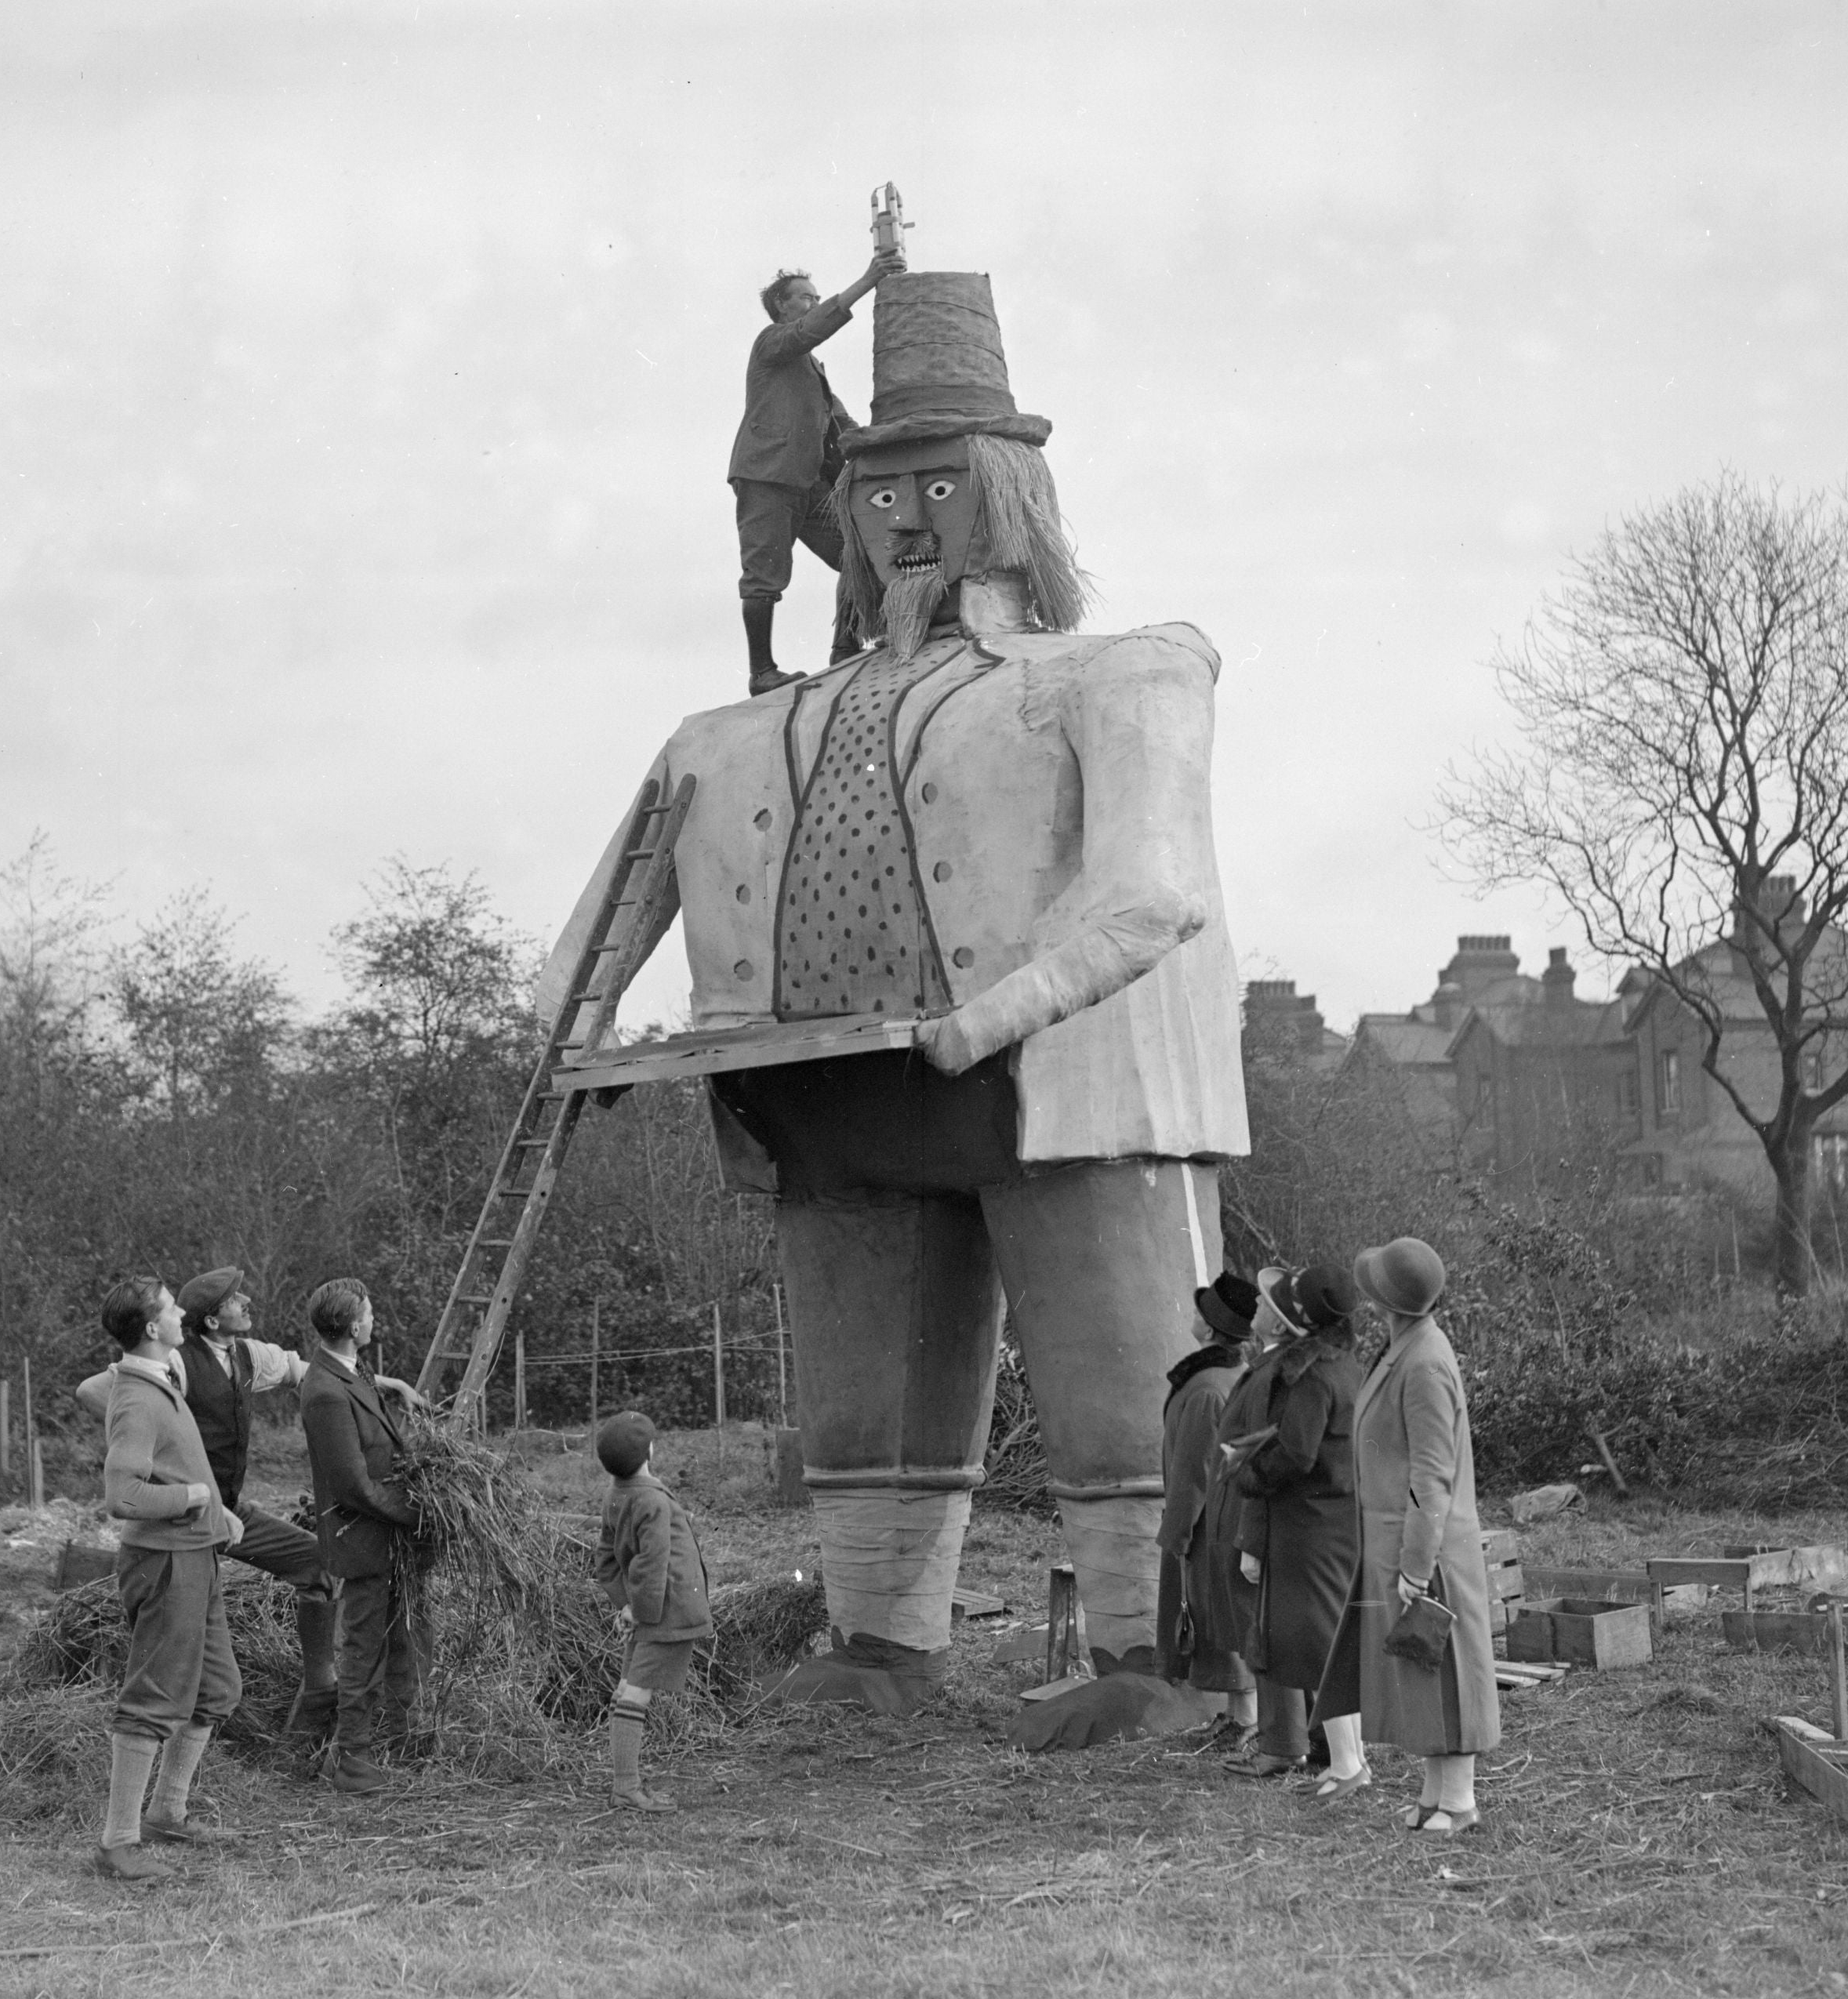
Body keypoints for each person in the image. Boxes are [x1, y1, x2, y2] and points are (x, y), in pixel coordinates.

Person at [542, 269, 1247, 1718]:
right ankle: (880, 1642)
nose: (902, 518)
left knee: (1128, 1389)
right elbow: (609, 913)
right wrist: (568, 1036)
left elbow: (1147, 888)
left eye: (937, 483)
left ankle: (1148, 1656)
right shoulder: (730, 732)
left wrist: (987, 1015)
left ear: (1008, 494)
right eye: (875, 490)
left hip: (1068, 1087)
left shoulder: (1122, 674)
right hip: (831, 1095)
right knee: (864, 1397)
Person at [74, 1265, 426, 1759]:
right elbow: (93, 1391)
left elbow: (313, 1370)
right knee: (180, 1661)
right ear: (213, 1321)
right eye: (235, 1300)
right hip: (186, 1518)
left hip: (230, 1510)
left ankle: (319, 1685)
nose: (246, 1303)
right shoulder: (173, 1362)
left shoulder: (247, 1355)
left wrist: (391, 1384)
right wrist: (163, 1448)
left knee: (317, 1564)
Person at [1314, 1236, 1499, 1833]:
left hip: (1430, 1546)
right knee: (1422, 1676)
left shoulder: (1423, 1362)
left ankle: (1461, 1802)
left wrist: (1417, 1567)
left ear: (1384, 1301)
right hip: (1405, 1540)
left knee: (1444, 1675)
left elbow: (1430, 1478)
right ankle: (1433, 1795)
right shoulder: (1409, 1347)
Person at [96, 1273, 247, 1881]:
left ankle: (168, 1812)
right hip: (164, 1561)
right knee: (155, 1698)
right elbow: (122, 1494)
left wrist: (217, 1511)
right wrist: (190, 1497)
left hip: (197, 1552)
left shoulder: (158, 1382)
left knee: (215, 1690)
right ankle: (117, 1843)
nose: (183, 1312)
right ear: (153, 1328)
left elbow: (171, 1461)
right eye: (172, 1308)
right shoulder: (135, 1396)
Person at [1214, 1264, 1367, 1788]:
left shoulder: (1309, 1375)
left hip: (1303, 1528)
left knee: (1305, 1641)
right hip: (1333, 1522)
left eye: (1269, 1302)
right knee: (1319, 1637)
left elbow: (1294, 1453)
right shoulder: (1345, 1365)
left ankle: (1337, 1760)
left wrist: (1247, 1475)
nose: (1256, 1307)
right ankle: (1334, 1752)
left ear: (1285, 1324)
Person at [729, 248, 902, 694]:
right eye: (804, 297)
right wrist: (868, 280)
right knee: (764, 572)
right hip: (768, 476)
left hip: (809, 483)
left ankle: (845, 647)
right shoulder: (773, 342)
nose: (812, 302)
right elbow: (813, 328)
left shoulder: (812, 368)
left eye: (815, 296)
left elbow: (840, 421)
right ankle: (762, 672)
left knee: (858, 552)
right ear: (781, 307)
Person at [299, 1277, 425, 1797]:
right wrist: (418, 1513)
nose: (375, 1319)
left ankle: (402, 1740)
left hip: (386, 1535)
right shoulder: (326, 1392)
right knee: (362, 1648)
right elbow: (353, 1486)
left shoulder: (351, 1371)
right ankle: (352, 1759)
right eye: (369, 1313)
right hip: (364, 1536)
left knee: (403, 1640)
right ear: (353, 1327)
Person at [1155, 1271, 1260, 1745]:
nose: (1194, 1316)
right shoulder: (1233, 1374)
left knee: (1223, 1621)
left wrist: (1175, 1535)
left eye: (1202, 1312)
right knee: (1230, 1620)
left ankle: (1249, 1720)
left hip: (1211, 1526)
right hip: (1231, 1522)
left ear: (1213, 1328)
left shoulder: (1206, 1389)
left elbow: (1194, 1472)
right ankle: (1241, 1717)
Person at [591, 1409, 712, 1812]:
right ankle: (626, 1787)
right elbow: (651, 1563)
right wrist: (640, 1613)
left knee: (629, 1686)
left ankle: (625, 1782)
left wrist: (625, 1603)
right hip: (665, 1613)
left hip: (646, 1610)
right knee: (635, 1692)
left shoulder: (616, 1496)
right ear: (651, 1452)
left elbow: (606, 1560)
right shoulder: (652, 1500)